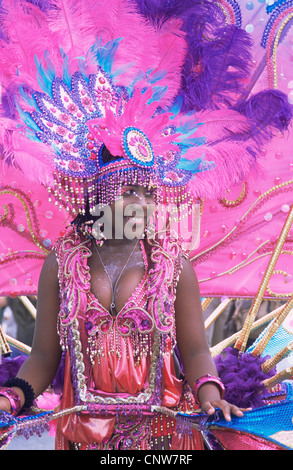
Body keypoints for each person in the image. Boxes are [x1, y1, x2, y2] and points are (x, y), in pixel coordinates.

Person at [0, 0, 290, 451]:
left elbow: (195, 352)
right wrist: (12, 396)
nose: (143, 207)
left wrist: (212, 397)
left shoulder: (175, 268)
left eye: (150, 195)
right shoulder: (63, 263)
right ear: (99, 197)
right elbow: (43, 356)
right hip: (79, 438)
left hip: (165, 440)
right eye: (129, 194)